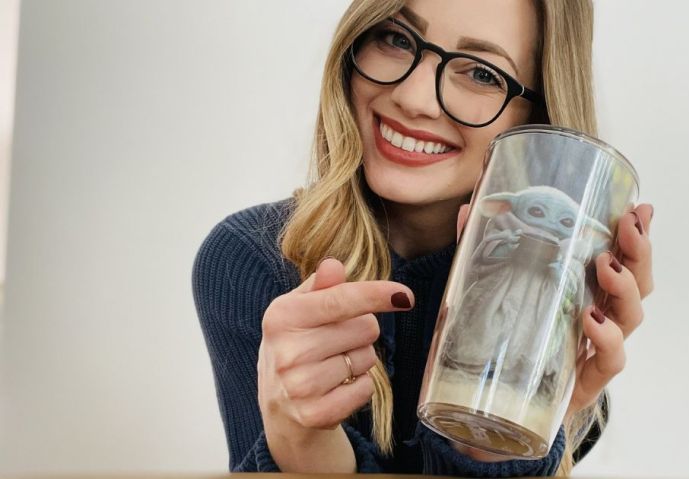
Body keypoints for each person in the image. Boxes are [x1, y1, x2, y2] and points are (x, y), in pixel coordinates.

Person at [192, 0, 655, 475]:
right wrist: (299, 441)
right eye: (396, 38)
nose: (414, 98)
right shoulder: (254, 261)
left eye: (481, 73)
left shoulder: (560, 320)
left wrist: (494, 441)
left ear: (536, 119)